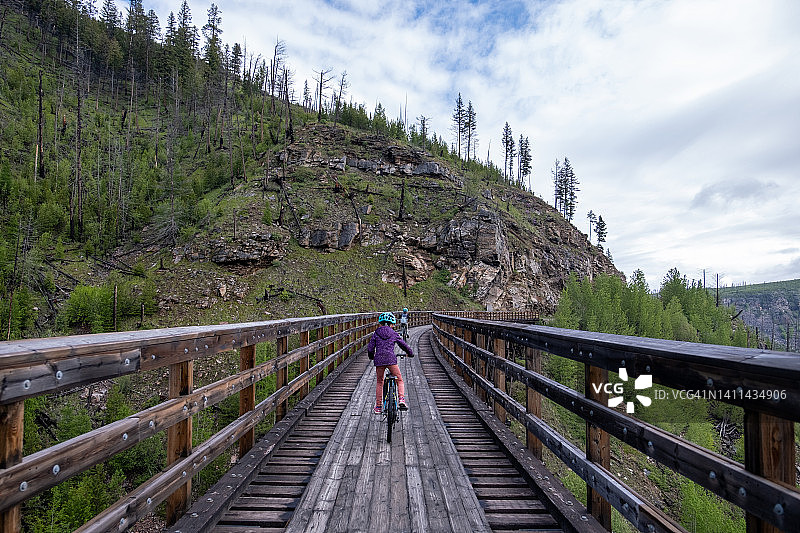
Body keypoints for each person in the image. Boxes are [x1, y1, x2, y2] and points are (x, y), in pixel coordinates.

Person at [367, 312, 414, 414]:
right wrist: (410, 353)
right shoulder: (393, 333)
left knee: (380, 382)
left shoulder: (376, 333)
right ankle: (401, 399)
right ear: (392, 324)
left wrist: (371, 357)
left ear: (381, 323)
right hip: (391, 360)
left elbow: (370, 348)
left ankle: (378, 407)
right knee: (399, 380)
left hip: (379, 360)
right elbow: (403, 345)